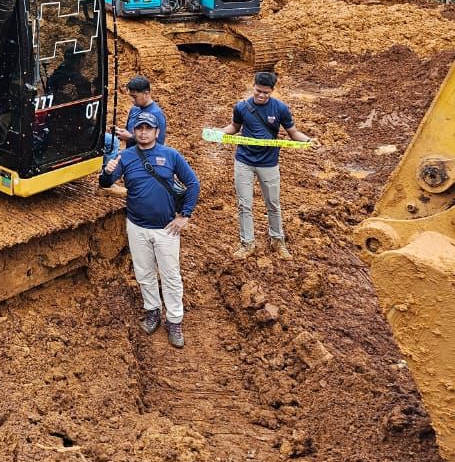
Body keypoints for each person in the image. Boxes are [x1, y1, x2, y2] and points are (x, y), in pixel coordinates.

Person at [99, 112, 200, 348]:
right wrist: (106, 172)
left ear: (156, 132)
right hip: (136, 226)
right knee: (144, 273)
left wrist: (184, 216)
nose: (143, 132)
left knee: (170, 276)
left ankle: (174, 320)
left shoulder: (170, 155)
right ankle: (152, 310)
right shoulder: (125, 157)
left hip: (166, 229)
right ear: (134, 132)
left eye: (148, 128)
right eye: (139, 128)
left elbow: (193, 183)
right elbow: (105, 184)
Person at [222, 70, 314, 261]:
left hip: (268, 163)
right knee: (244, 205)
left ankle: (277, 240)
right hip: (244, 161)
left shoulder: (280, 109)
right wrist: (218, 132)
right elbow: (234, 128)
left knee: (273, 204)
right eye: (258, 91)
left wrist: (309, 141)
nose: (261, 96)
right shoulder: (241, 107)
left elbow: (293, 133)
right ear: (253, 87)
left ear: (272, 91)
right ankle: (247, 243)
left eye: (266, 93)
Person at [104, 75, 168, 161]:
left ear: (146, 94)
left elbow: (158, 144)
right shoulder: (134, 109)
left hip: (145, 161)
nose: (132, 100)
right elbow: (130, 131)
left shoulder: (156, 114)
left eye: (135, 97)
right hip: (131, 157)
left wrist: (130, 137)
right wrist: (120, 133)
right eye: (131, 96)